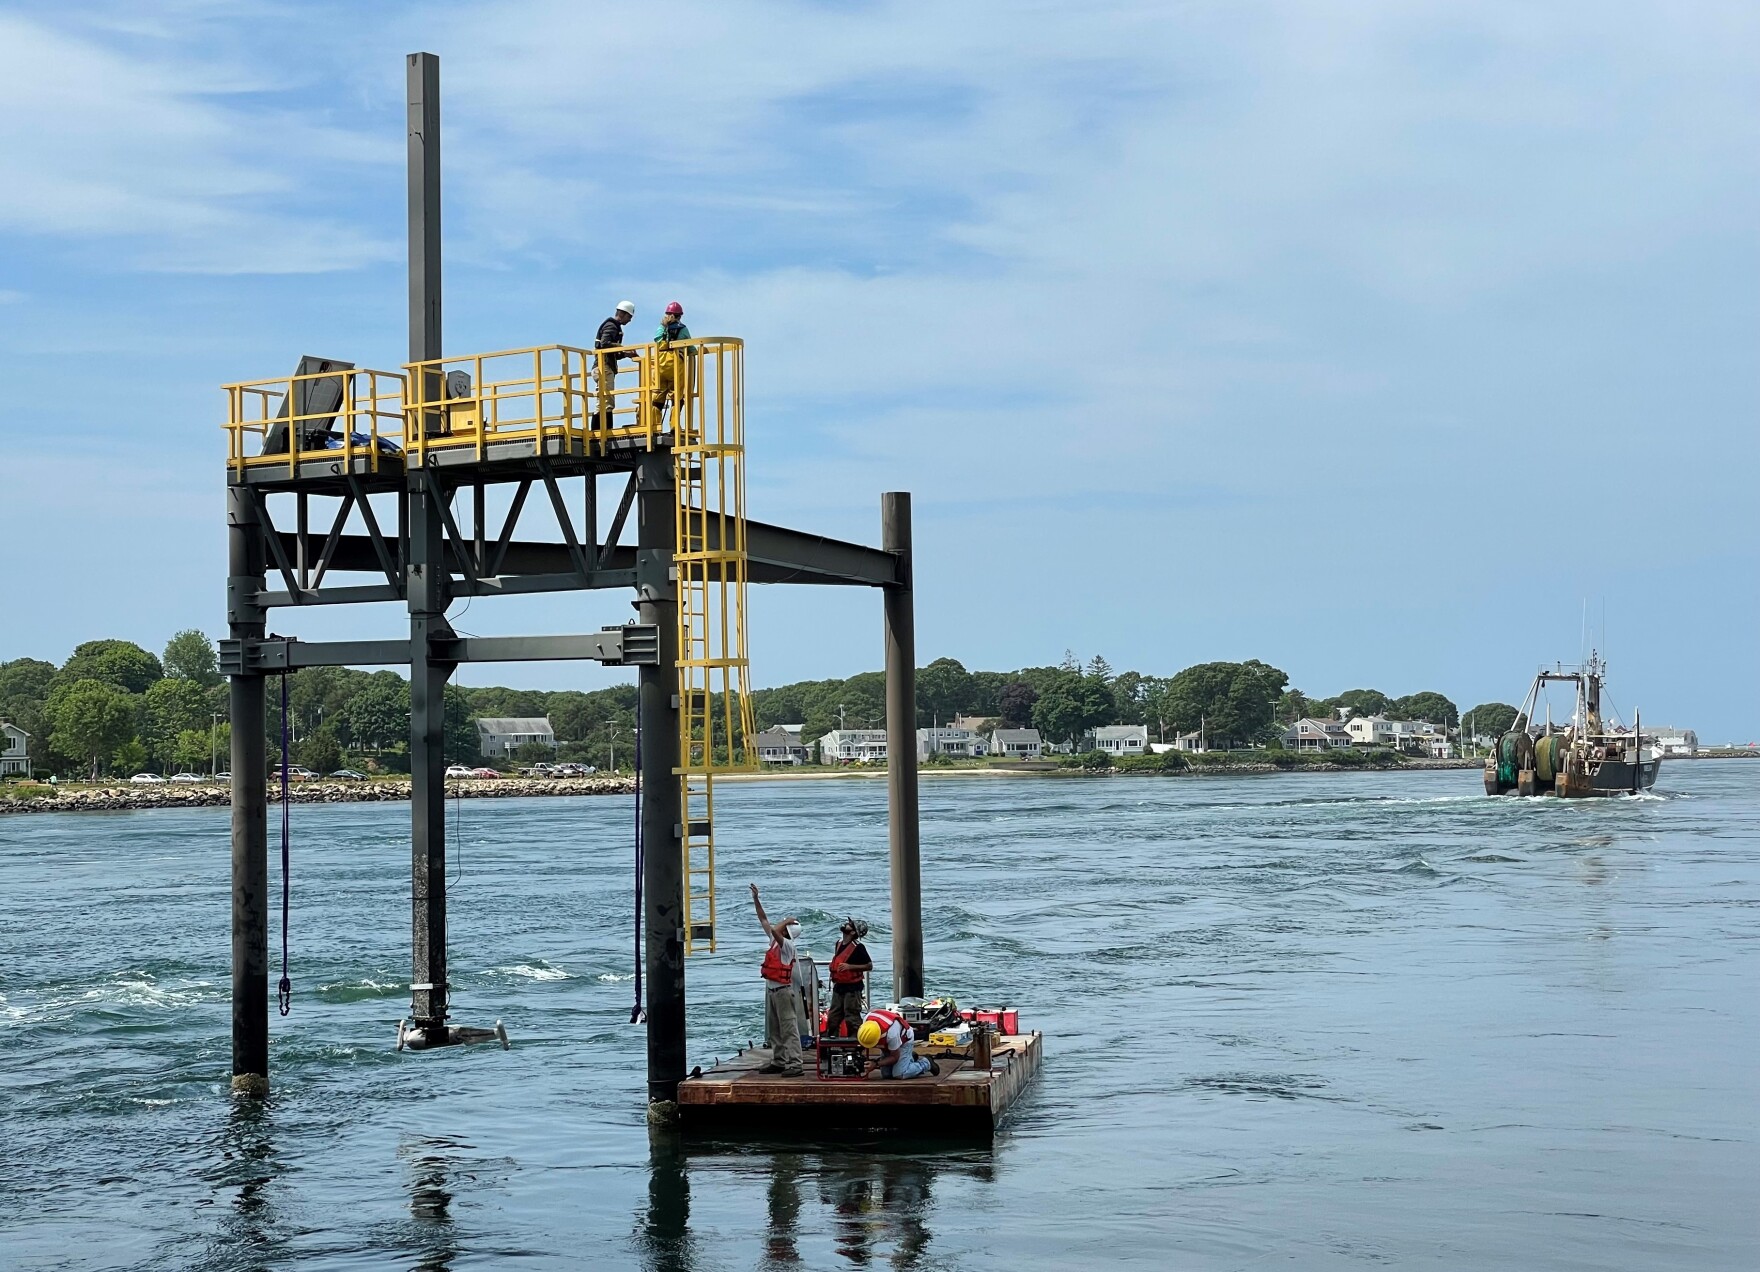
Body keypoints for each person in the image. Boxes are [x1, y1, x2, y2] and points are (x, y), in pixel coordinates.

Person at [750, 883, 803, 1076]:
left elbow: (773, 929)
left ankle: (796, 1064)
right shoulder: (774, 943)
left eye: (785, 926)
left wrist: (787, 920)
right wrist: (756, 898)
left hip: (782, 992)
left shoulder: (787, 946)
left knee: (789, 1028)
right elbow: (763, 919)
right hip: (772, 990)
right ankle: (779, 1060)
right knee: (775, 1029)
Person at [824, 917, 873, 1039]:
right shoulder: (839, 944)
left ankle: (856, 1040)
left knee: (851, 1016)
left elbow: (869, 965)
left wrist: (850, 967)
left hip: (852, 988)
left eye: (850, 925)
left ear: (853, 932)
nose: (846, 924)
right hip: (839, 985)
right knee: (833, 1016)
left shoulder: (858, 947)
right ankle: (832, 1039)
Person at [857, 1007, 938, 1080]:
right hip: (889, 1044)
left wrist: (875, 1064)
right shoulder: (867, 1020)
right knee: (887, 1074)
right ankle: (909, 1058)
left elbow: (894, 1057)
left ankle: (926, 1063)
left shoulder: (891, 1034)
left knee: (899, 1074)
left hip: (904, 1041)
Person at [594, 300, 638, 428]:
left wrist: (625, 354)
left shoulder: (614, 327)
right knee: (607, 402)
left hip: (604, 366)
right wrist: (622, 348)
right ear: (623, 314)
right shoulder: (612, 326)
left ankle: (600, 431)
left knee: (603, 400)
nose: (629, 320)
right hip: (604, 367)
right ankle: (603, 432)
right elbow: (605, 344)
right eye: (629, 317)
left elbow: (611, 351)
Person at [650, 301, 693, 422]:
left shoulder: (661, 328)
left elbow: (657, 340)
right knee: (677, 396)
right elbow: (690, 347)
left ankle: (654, 426)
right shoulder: (683, 329)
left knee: (657, 396)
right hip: (675, 364)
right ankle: (674, 425)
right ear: (679, 316)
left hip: (660, 365)